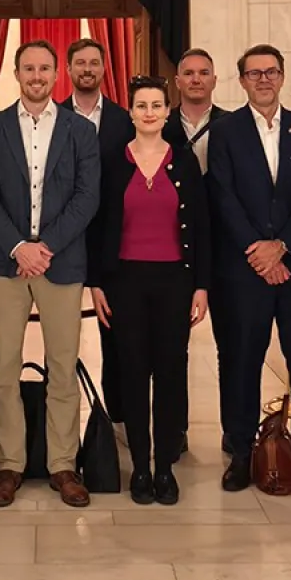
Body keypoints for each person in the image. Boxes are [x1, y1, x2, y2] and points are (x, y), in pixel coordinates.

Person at [0, 39, 101, 509]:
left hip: (60, 263)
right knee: (3, 369)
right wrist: (18, 247)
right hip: (5, 263)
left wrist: (44, 247)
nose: (37, 76)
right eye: (28, 68)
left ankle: (63, 464)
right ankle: (9, 465)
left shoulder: (79, 130)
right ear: (16, 72)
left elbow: (87, 197)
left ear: (56, 74)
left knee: (62, 367)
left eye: (45, 68)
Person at [207, 44, 291, 495]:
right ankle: (241, 453)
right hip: (244, 271)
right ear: (241, 81)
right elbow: (222, 195)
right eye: (253, 73)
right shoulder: (225, 131)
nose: (263, 80)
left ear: (282, 77)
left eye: (271, 72)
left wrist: (281, 247)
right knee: (241, 362)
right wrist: (257, 250)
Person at [90, 77, 211, 505]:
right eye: (141, 105)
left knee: (171, 373)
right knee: (133, 372)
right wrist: (97, 283)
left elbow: (200, 226)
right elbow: (99, 226)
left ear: (166, 110)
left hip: (175, 280)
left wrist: (201, 285)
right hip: (124, 280)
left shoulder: (183, 160)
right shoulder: (111, 160)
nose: (148, 112)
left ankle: (165, 468)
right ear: (131, 111)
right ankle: (140, 466)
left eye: (156, 105)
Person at [61, 37, 134, 427]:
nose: (87, 69)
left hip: (114, 242)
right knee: (60, 338)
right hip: (64, 242)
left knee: (116, 333)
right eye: (80, 63)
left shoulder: (125, 120)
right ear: (69, 70)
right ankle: (63, 421)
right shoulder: (51, 117)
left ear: (104, 69)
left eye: (94, 63)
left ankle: (116, 419)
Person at [163, 48, 229, 174]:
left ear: (214, 81)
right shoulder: (161, 125)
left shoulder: (231, 124)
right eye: (188, 73)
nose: (196, 80)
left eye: (204, 73)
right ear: (177, 82)